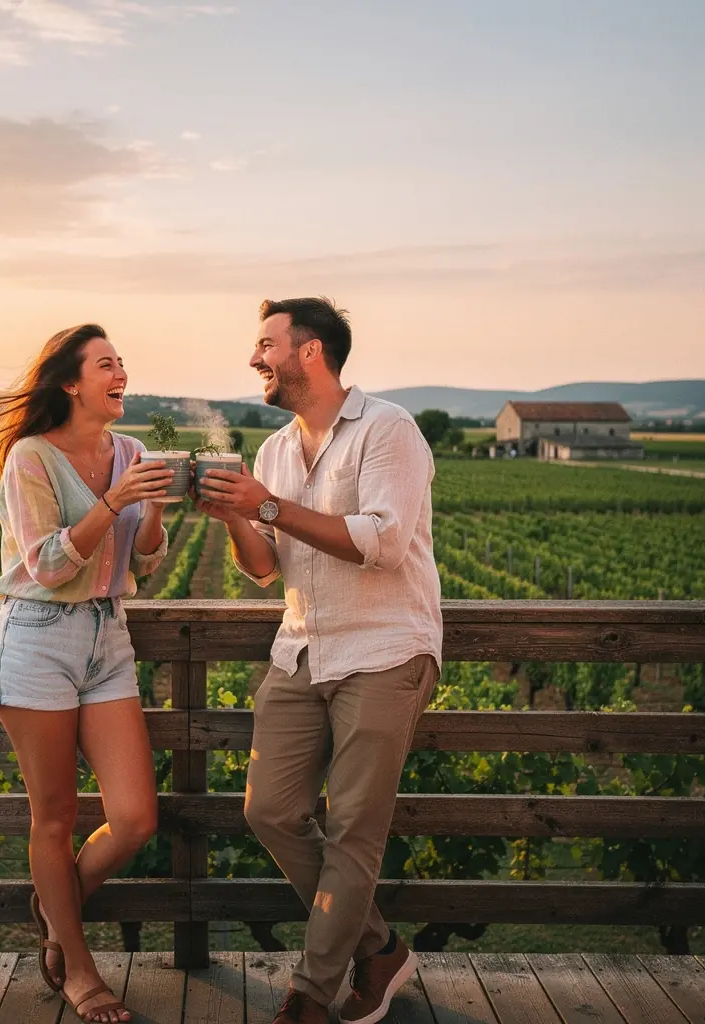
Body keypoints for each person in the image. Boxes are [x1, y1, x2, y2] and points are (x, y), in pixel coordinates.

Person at [197, 298, 442, 1024]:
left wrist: (267, 505)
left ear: (310, 352)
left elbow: (382, 542)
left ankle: (310, 993)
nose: (254, 359)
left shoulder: (388, 429)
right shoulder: (275, 450)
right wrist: (236, 514)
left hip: (385, 648)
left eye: (266, 344)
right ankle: (380, 948)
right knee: (269, 810)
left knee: (354, 827)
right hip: (301, 648)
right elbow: (264, 569)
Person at [0, 324, 174, 1024]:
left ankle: (57, 915)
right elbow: (48, 566)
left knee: (135, 819)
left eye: (122, 363)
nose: (121, 373)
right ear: (72, 383)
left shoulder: (132, 452)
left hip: (109, 638)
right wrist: (113, 502)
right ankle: (78, 968)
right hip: (39, 638)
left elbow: (146, 560)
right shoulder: (31, 458)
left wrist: (154, 504)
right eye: (106, 364)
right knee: (53, 818)